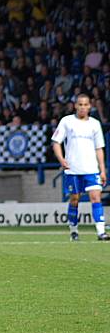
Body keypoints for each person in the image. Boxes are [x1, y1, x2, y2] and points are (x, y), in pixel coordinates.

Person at [51, 94, 109, 241]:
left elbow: (99, 148)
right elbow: (56, 142)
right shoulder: (67, 121)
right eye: (80, 104)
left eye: (85, 104)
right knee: (74, 199)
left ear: (90, 106)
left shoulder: (95, 124)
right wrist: (61, 159)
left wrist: (102, 170)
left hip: (91, 169)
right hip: (73, 169)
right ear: (75, 106)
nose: (83, 107)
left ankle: (101, 232)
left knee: (96, 198)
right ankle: (73, 230)